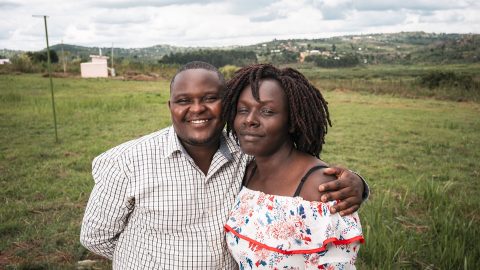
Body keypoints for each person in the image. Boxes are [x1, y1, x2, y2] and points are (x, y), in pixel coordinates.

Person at [80, 61, 367, 269]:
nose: (197, 109)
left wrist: (358, 185)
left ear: (224, 104)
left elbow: (300, 170)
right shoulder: (127, 161)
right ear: (170, 107)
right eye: (183, 100)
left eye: (209, 98)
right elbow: (95, 237)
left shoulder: (246, 152)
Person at [223, 64, 364, 269]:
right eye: (242, 110)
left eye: (267, 111)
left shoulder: (320, 187)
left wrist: (359, 184)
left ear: (291, 121)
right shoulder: (246, 171)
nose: (250, 120)